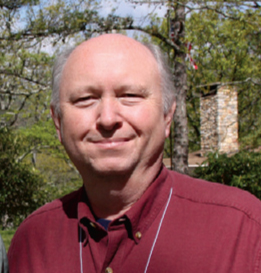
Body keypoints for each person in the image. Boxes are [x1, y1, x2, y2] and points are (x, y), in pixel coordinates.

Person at [8, 34, 261, 273]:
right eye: (85, 99)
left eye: (130, 96)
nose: (107, 119)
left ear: (167, 115)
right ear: (57, 121)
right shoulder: (32, 243)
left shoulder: (243, 232)